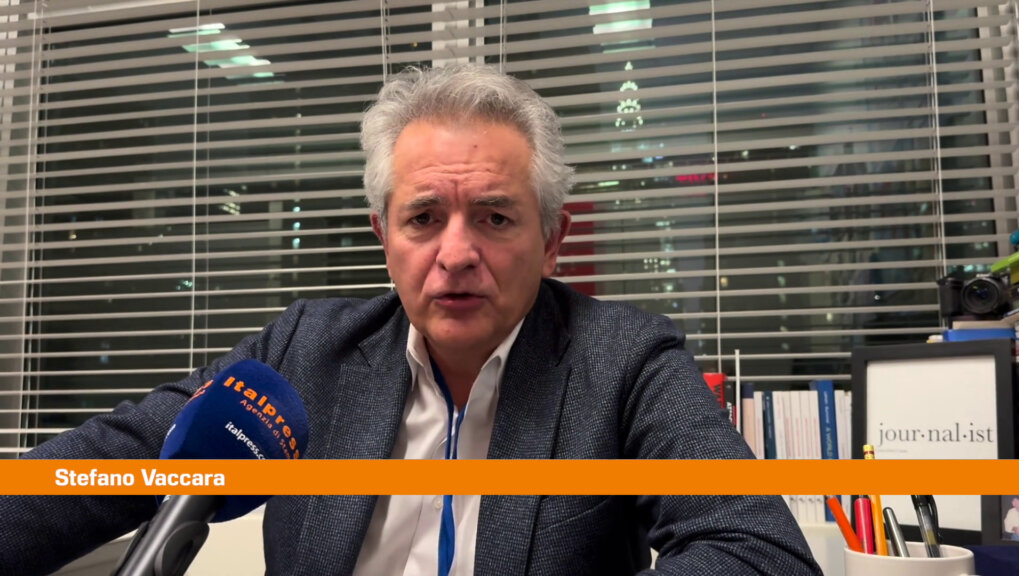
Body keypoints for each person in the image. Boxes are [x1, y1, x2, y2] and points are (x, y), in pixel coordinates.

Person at [0, 64, 821, 576]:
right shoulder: (304, 351)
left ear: (551, 240)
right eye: (424, 218)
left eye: (495, 217)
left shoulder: (625, 360)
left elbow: (759, 552)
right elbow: (105, 463)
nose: (456, 253)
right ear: (383, 237)